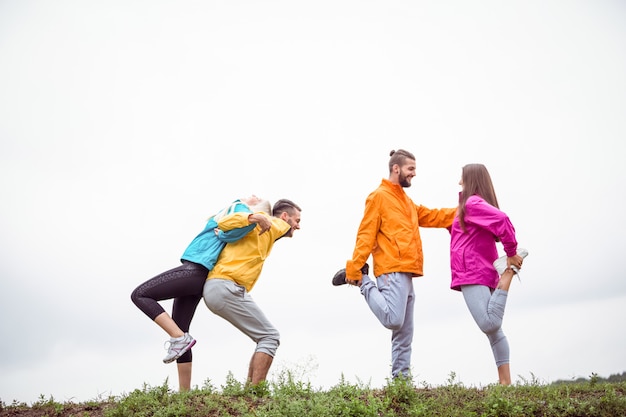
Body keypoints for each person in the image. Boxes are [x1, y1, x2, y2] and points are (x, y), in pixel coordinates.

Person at [332, 149, 456, 380]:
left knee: (404, 333)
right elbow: (366, 234)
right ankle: (363, 281)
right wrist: (355, 267)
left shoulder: (406, 202)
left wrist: (465, 211)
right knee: (393, 320)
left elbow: (432, 216)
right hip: (391, 269)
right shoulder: (378, 197)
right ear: (396, 168)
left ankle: (401, 383)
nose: (414, 174)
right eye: (411, 169)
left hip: (407, 272)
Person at [130, 195, 272, 391]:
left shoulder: (239, 209)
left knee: (140, 294)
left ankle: (179, 339)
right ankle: (184, 395)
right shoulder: (235, 215)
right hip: (199, 276)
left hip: (196, 269)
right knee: (182, 330)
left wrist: (254, 216)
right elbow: (228, 232)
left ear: (254, 206)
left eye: (256, 197)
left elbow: (232, 223)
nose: (252, 195)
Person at [202, 198, 302, 387]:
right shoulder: (274, 223)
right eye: (297, 221)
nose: (297, 227)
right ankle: (256, 394)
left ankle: (249, 393)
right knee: (270, 337)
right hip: (225, 286)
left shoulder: (264, 231)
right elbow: (223, 222)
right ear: (285, 216)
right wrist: (254, 216)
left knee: (264, 337)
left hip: (221, 287)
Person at [449, 163, 528, 385]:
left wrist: (511, 254)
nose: (458, 182)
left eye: (461, 177)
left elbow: (502, 220)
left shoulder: (472, 203)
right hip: (479, 269)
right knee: (495, 332)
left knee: (489, 323)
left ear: (471, 179)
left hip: (472, 271)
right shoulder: (471, 205)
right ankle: (505, 383)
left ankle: (509, 272)